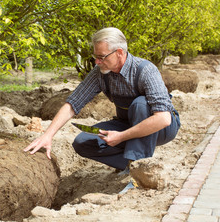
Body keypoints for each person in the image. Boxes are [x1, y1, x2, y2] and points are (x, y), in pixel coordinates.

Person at [24, 27, 181, 172]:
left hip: (162, 129)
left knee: (140, 104)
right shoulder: (100, 73)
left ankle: (139, 170)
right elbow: (73, 103)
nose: (97, 62)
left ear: (119, 52)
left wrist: (121, 137)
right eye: (95, 57)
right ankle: (130, 165)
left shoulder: (145, 70)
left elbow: (163, 119)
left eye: (101, 57)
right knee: (83, 142)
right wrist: (48, 135)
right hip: (127, 124)